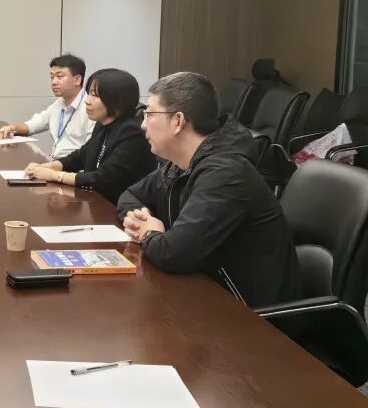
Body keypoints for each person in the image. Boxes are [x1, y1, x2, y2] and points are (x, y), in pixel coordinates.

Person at [118, 71, 301, 308]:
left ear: (178, 121)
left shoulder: (226, 173)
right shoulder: (179, 163)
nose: (143, 124)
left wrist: (148, 233)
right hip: (202, 291)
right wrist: (142, 219)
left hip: (248, 314)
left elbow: (174, 253)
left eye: (150, 114)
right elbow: (130, 195)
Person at [23, 68, 155, 203]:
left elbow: (103, 178)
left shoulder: (133, 132)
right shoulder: (103, 124)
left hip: (122, 207)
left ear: (116, 99)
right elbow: (82, 155)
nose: (87, 101)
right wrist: (50, 166)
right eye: (88, 94)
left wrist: (56, 176)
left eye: (95, 95)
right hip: (97, 202)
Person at [0, 53, 95, 160]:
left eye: (60, 76)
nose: (54, 82)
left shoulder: (90, 107)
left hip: (74, 166)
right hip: (55, 161)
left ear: (77, 80)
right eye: (52, 77)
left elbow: (91, 150)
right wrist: (12, 128)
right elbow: (36, 123)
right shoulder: (59, 103)